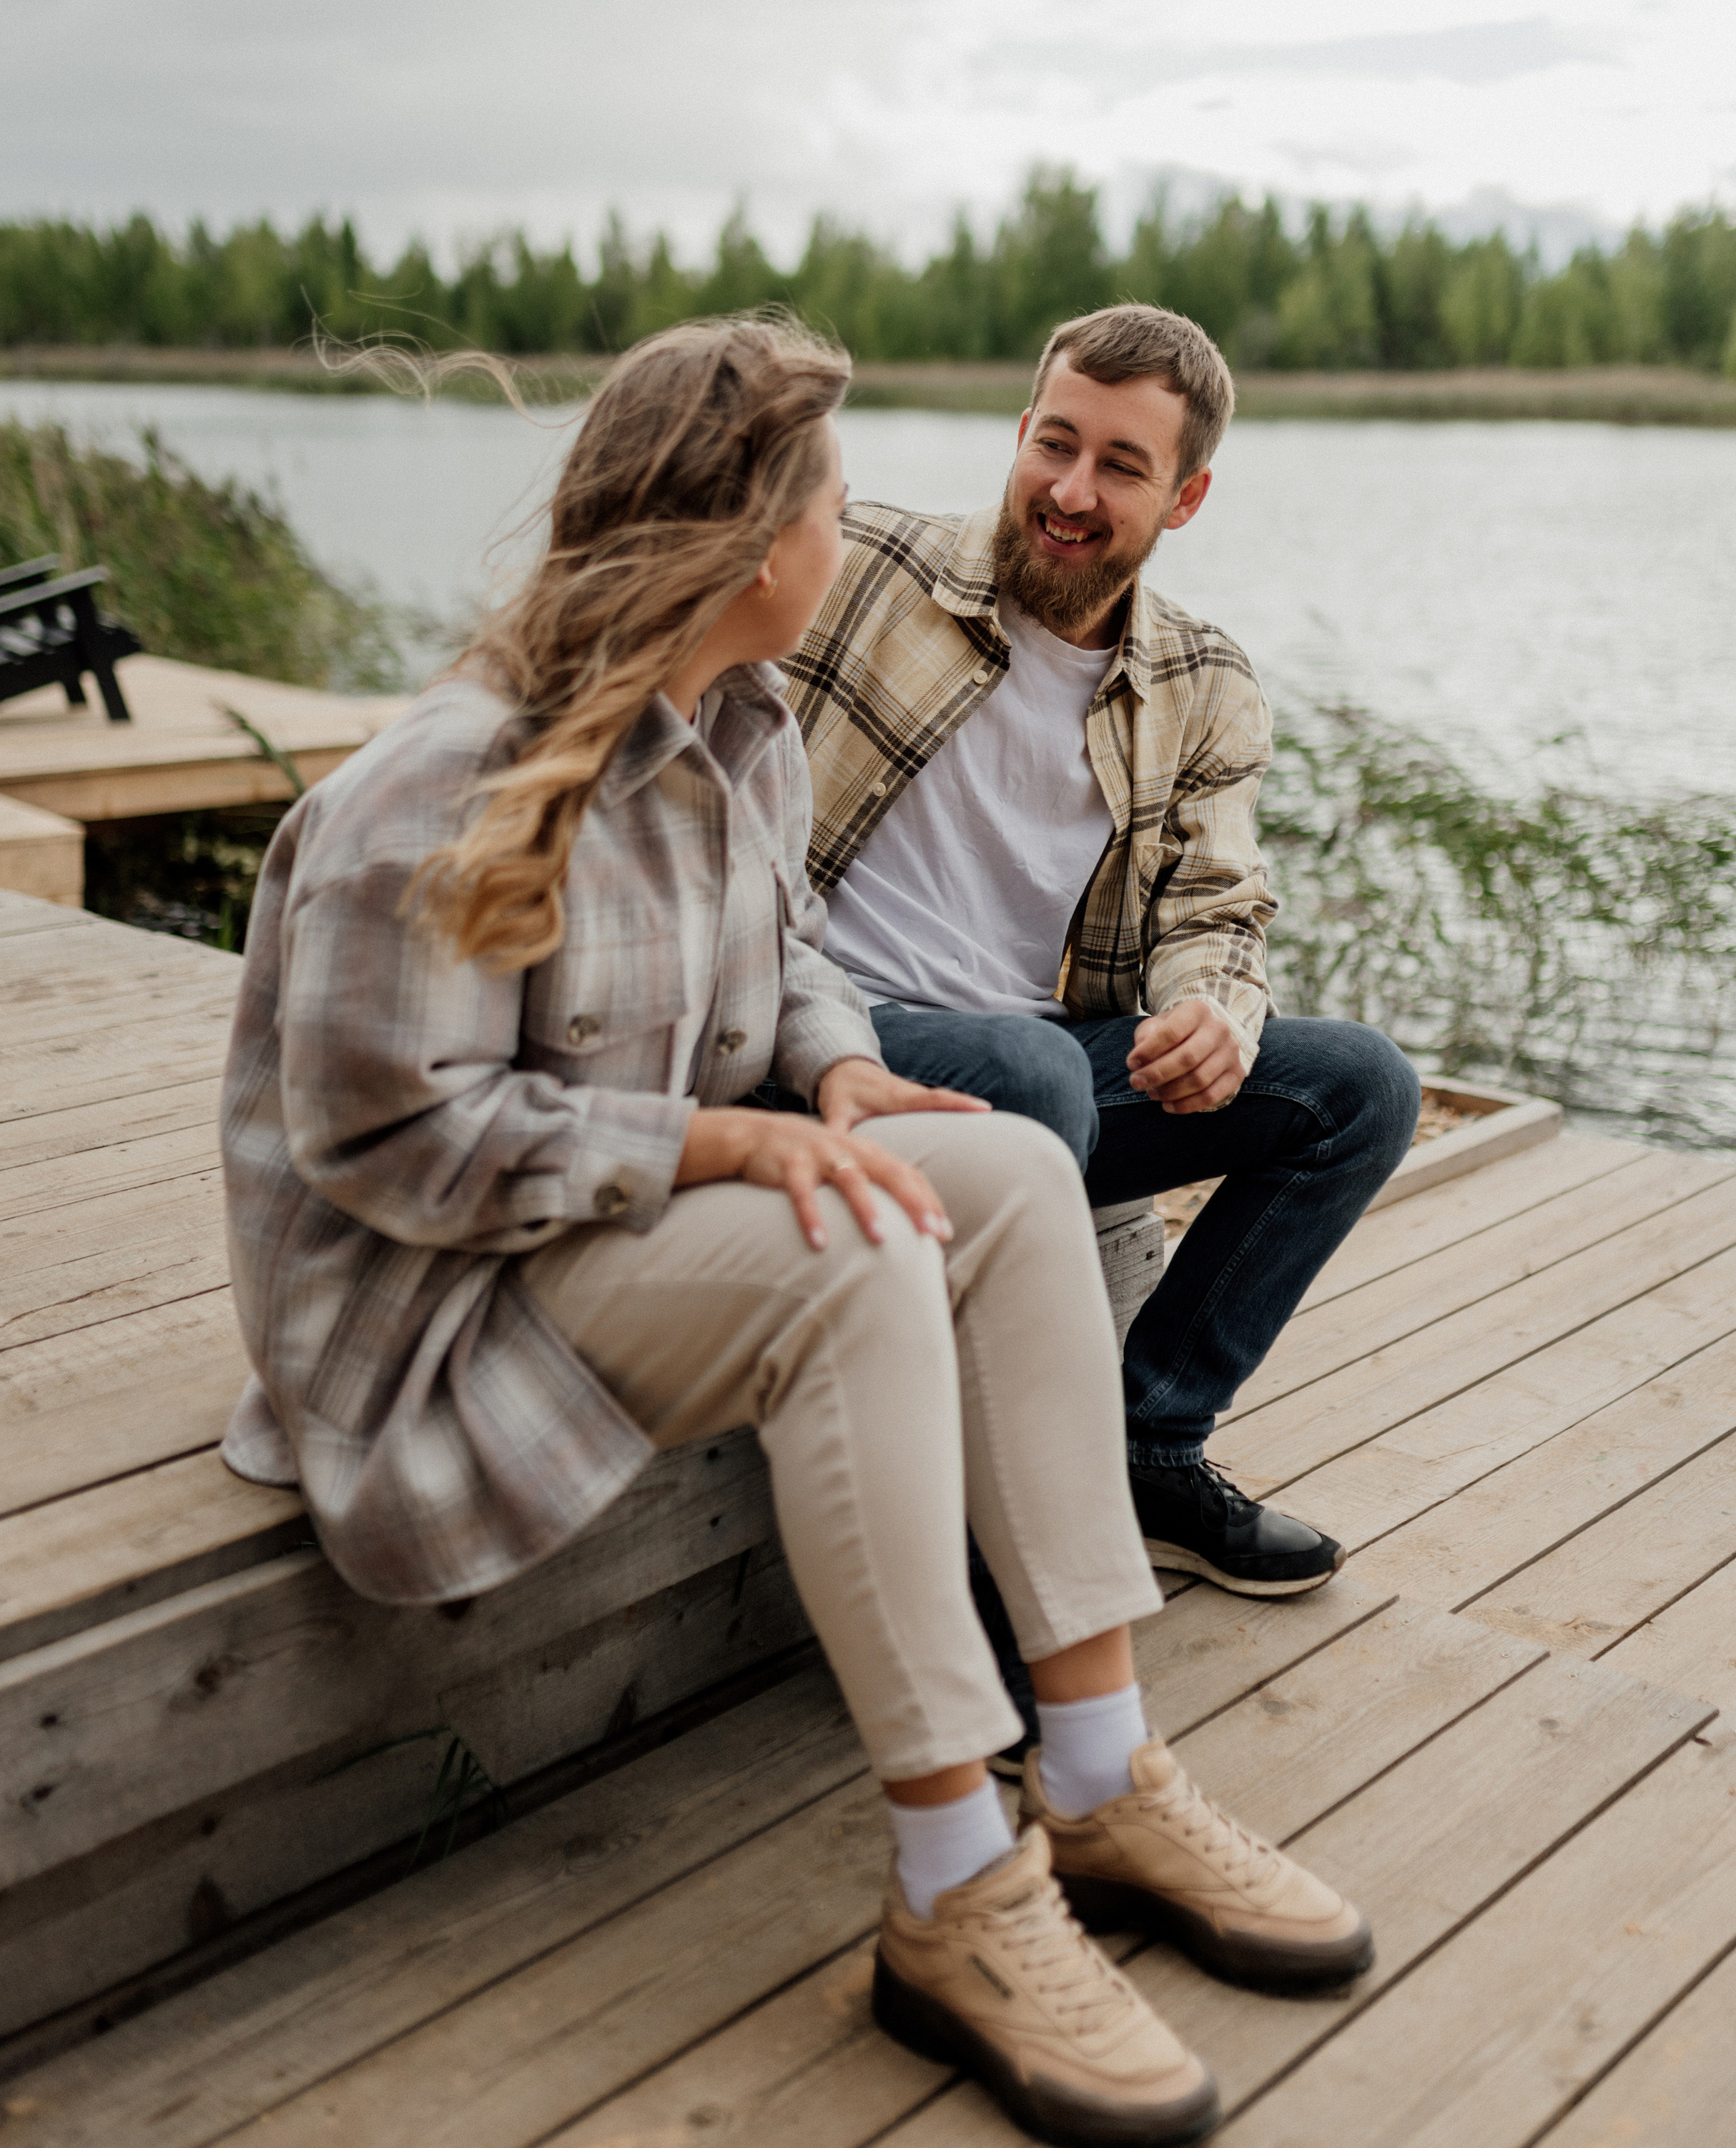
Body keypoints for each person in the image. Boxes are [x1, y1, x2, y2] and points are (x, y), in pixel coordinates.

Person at [217, 317, 1370, 2148]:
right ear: (764, 552)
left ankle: (1095, 1765)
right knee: (860, 1254)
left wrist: (830, 1079)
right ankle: (948, 1884)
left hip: (610, 1229)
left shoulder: (737, 726)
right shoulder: (430, 788)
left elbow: (795, 957)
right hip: (435, 1308)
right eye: (832, 498)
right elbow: (383, 1142)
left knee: (987, 1166)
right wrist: (718, 1145)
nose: (863, 531)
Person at [784, 302, 1422, 1659]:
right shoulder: (857, 563)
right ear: (1020, 433)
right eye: (1056, 444)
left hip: (1050, 1077)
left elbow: (1220, 905)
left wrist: (1214, 1013)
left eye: (1122, 466)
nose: (1072, 492)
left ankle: (1149, 1443)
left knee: (1359, 1085)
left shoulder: (1205, 682)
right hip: (825, 1039)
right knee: (1022, 1073)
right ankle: (987, 1539)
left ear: (1185, 496)